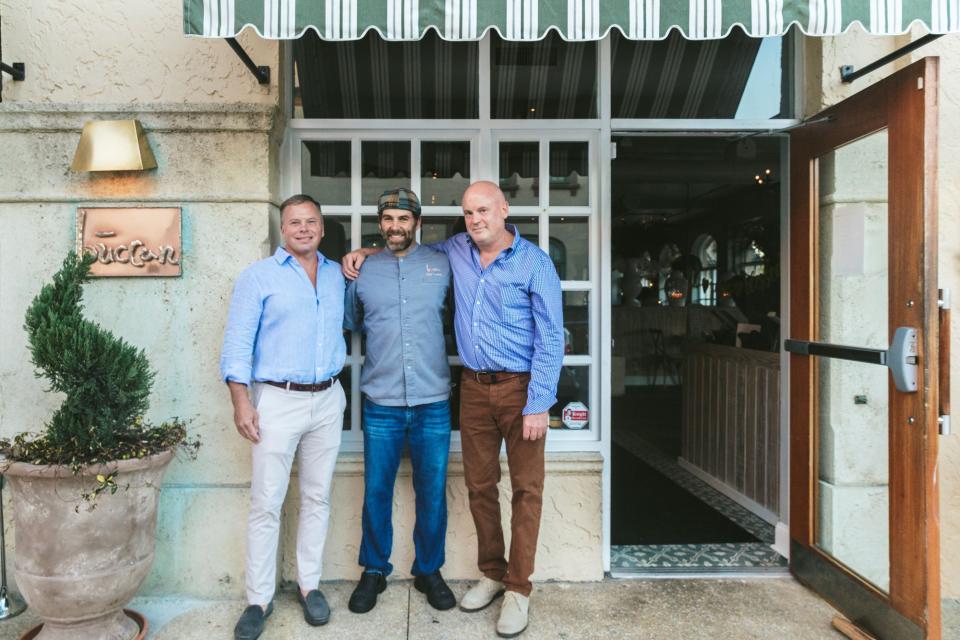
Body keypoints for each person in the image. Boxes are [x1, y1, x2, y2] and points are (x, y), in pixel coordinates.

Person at [343, 181, 564, 638]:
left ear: (504, 209)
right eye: (468, 212)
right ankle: (491, 573)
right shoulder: (454, 251)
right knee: (480, 487)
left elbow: (551, 338)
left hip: (521, 390)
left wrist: (540, 403)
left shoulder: (534, 263)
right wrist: (364, 250)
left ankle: (518, 589)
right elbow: (399, 248)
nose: (476, 219)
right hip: (472, 388)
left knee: (527, 491)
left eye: (483, 210)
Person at [221, 194, 346, 640]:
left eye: (311, 221)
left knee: (317, 497)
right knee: (266, 502)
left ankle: (310, 586)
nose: (303, 229)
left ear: (323, 227)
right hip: (276, 399)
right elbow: (237, 344)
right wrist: (241, 400)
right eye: (294, 222)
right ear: (282, 228)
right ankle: (258, 598)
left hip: (328, 399)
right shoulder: (258, 277)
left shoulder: (336, 276)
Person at [344, 187, 457, 614]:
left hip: (432, 401)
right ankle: (374, 570)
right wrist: (358, 254)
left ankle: (429, 570)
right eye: (388, 219)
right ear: (380, 223)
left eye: (403, 219)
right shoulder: (361, 272)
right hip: (381, 402)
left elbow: (453, 317)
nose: (395, 227)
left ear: (417, 223)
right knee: (376, 489)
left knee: (432, 491)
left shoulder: (441, 266)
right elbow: (352, 321)